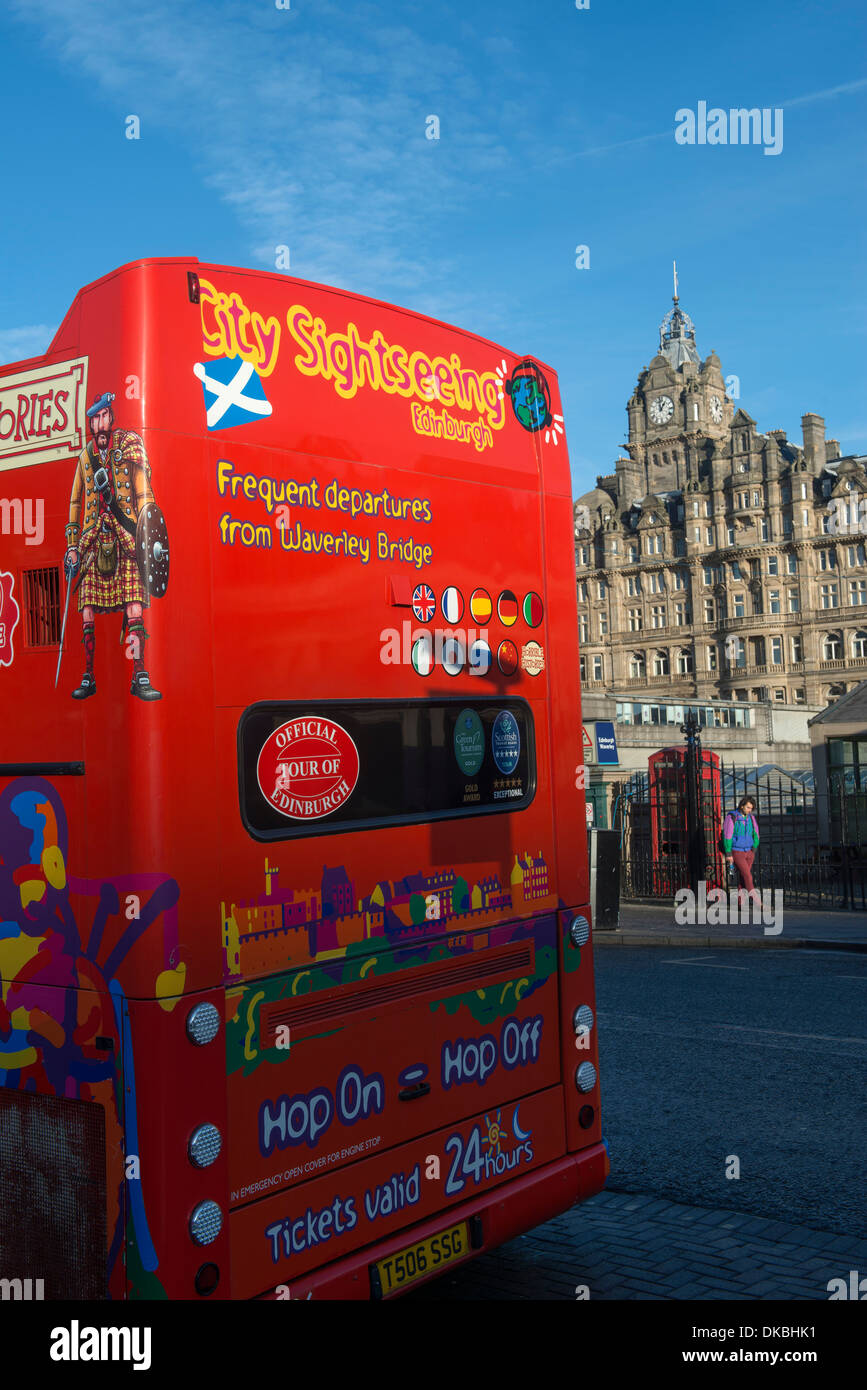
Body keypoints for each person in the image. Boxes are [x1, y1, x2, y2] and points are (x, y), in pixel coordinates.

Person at [63, 391, 161, 700]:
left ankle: (140, 673)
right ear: (90, 424)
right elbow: (76, 502)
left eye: (103, 417)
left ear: (111, 418)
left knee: (134, 606)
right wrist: (72, 545)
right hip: (93, 539)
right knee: (88, 610)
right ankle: (89, 675)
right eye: (94, 420)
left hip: (126, 535)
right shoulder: (85, 458)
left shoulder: (129, 446)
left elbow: (144, 494)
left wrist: (147, 534)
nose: (99, 425)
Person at [722, 797, 760, 902]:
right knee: (748, 876)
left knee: (743, 878)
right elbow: (727, 835)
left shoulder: (751, 818)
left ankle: (740, 903)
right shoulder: (732, 817)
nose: (749, 810)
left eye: (751, 808)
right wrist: (728, 853)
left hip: (749, 851)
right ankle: (757, 901)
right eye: (748, 807)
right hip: (737, 851)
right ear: (742, 806)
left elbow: (756, 833)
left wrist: (754, 848)